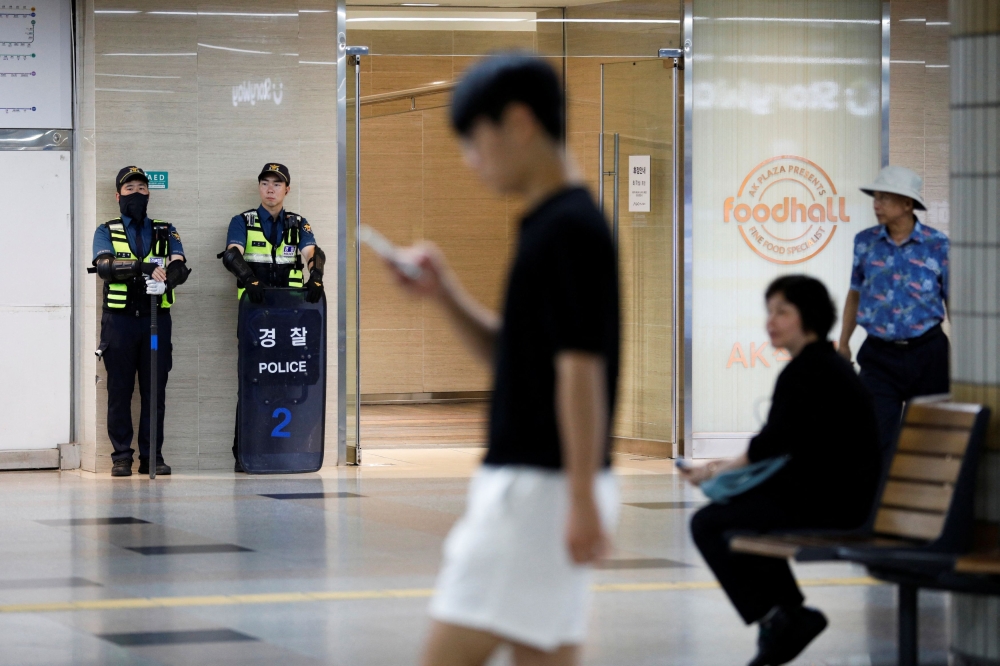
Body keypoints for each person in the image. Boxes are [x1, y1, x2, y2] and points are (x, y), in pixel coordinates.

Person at [377, 55, 620, 666]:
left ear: (518, 123)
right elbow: (516, 355)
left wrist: (581, 499)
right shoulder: (551, 225)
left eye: (474, 140)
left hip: (536, 491)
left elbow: (581, 371)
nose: (470, 159)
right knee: (547, 655)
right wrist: (445, 293)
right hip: (548, 487)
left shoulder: (568, 230)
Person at [681, 275, 881, 666]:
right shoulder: (822, 365)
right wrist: (717, 470)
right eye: (769, 311)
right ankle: (787, 614)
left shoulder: (808, 371)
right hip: (834, 494)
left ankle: (780, 617)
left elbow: (768, 446)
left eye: (782, 312)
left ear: (809, 316)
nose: (770, 321)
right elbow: (780, 443)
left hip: (835, 503)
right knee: (742, 515)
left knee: (708, 524)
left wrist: (712, 472)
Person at [838, 166, 950, 460]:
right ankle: (879, 491)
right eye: (875, 198)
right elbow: (855, 293)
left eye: (884, 198)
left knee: (925, 442)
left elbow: (953, 300)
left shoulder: (938, 245)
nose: (876, 204)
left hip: (928, 354)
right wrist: (844, 342)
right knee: (875, 440)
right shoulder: (865, 242)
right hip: (879, 356)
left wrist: (963, 354)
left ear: (907, 204)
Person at [219, 163, 325, 473]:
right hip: (255, 320)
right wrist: (248, 278)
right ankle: (247, 453)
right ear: (259, 188)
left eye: (277, 184)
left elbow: (312, 252)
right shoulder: (242, 221)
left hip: (290, 320)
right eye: (265, 183)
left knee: (289, 383)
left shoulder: (298, 223)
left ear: (287, 190)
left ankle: (283, 451)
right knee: (253, 384)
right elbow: (232, 254)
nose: (270, 189)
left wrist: (316, 275)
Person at [92, 166, 190, 477]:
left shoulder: (166, 229)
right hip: (119, 324)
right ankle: (121, 457)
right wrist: (141, 267)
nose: (136, 193)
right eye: (129, 189)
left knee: (154, 392)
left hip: (155, 321)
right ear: (118, 195)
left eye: (142, 188)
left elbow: (179, 264)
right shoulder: (106, 230)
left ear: (149, 194)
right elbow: (104, 266)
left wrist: (167, 282)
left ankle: (152, 457)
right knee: (119, 392)